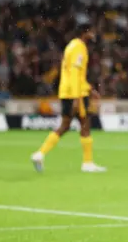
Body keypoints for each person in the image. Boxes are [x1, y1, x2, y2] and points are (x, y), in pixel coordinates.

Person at [31, 24, 106, 173]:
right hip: (75, 93)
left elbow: (74, 74)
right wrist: (77, 99)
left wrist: (90, 89)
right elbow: (74, 73)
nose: (94, 34)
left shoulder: (71, 46)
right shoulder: (79, 47)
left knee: (65, 125)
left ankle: (40, 154)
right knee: (85, 124)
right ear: (85, 33)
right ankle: (87, 163)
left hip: (67, 92)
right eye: (91, 31)